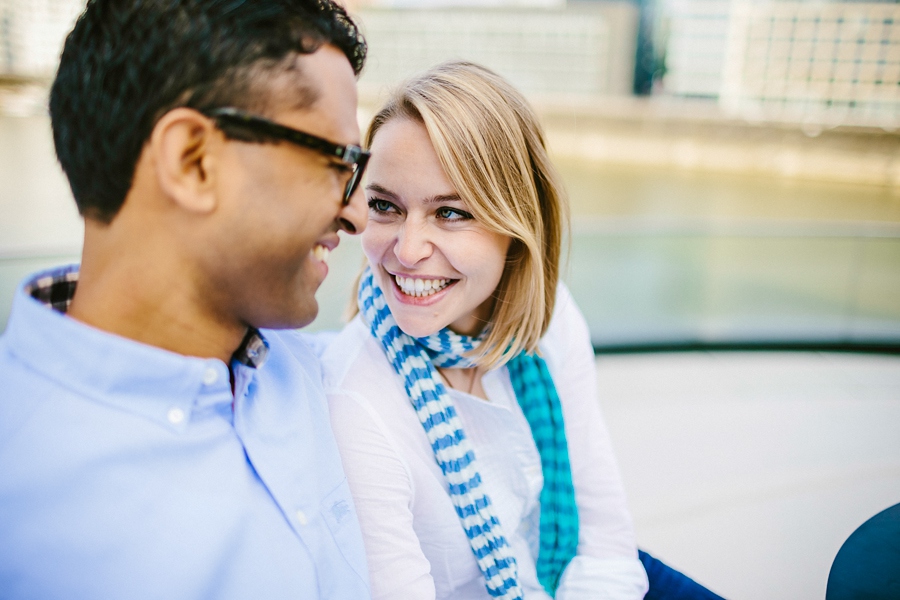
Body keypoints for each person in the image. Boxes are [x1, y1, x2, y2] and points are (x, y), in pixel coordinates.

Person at [0, 0, 371, 598]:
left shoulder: (321, 375)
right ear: (193, 161)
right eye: (339, 160)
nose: (356, 213)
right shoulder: (17, 500)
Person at [320, 61, 650, 599]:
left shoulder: (551, 319)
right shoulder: (357, 407)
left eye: (450, 213)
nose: (406, 250)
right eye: (385, 206)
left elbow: (605, 536)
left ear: (517, 224)